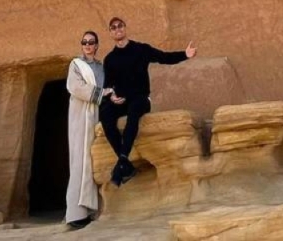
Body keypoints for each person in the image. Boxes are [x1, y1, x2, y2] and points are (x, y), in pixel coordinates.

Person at [100, 16, 197, 186]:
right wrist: (112, 97)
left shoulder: (141, 49)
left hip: (141, 99)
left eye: (120, 26)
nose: (117, 29)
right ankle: (125, 165)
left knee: (134, 112)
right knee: (105, 114)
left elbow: (164, 57)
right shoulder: (110, 59)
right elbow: (108, 85)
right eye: (113, 27)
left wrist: (185, 54)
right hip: (121, 101)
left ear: (125, 28)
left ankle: (122, 160)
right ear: (110, 32)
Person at [65, 30, 113, 230]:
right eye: (84, 42)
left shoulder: (101, 68)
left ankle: (92, 210)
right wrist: (102, 93)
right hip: (80, 116)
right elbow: (75, 87)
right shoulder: (76, 64)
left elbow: (109, 88)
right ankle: (75, 214)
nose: (87, 45)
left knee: (93, 160)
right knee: (79, 160)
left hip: (96, 115)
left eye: (91, 42)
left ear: (96, 45)